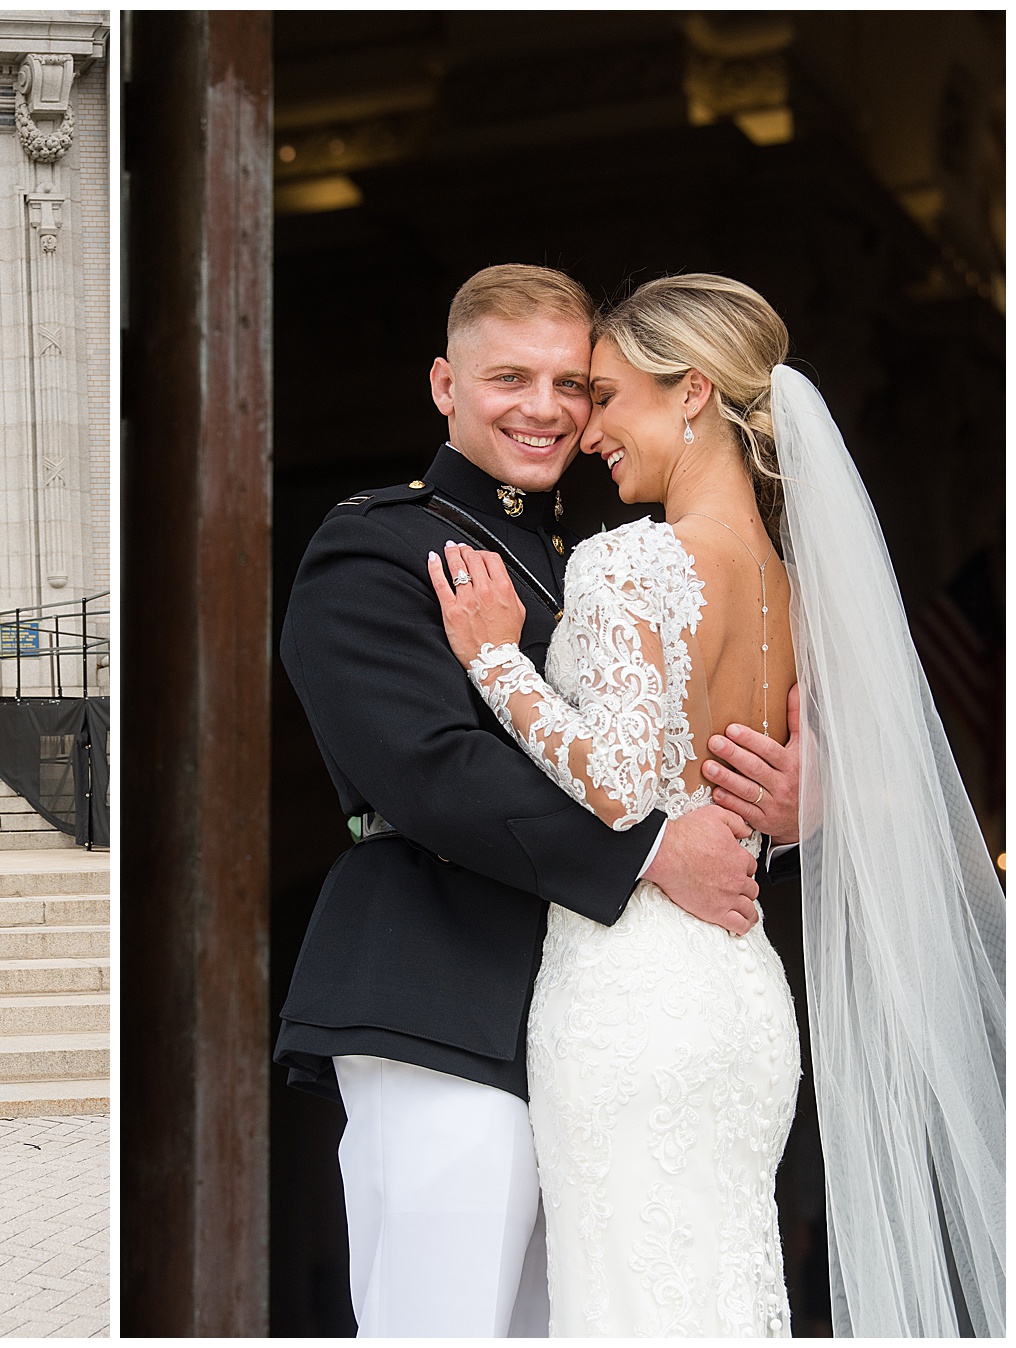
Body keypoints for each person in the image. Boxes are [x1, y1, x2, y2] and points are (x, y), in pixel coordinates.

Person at [430, 274, 1003, 1336]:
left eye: (606, 396)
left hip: (631, 998)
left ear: (691, 391)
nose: (586, 429)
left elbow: (615, 782)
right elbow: (774, 777)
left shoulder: (630, 562)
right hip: (742, 997)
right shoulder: (794, 585)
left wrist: (499, 661)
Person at [275, 265, 802, 1337]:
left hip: (613, 1022)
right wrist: (650, 853)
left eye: (576, 383)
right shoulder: (376, 547)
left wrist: (785, 810)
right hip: (445, 997)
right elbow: (427, 768)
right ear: (444, 385)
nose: (549, 408)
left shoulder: (618, 558)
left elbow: (681, 766)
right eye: (511, 377)